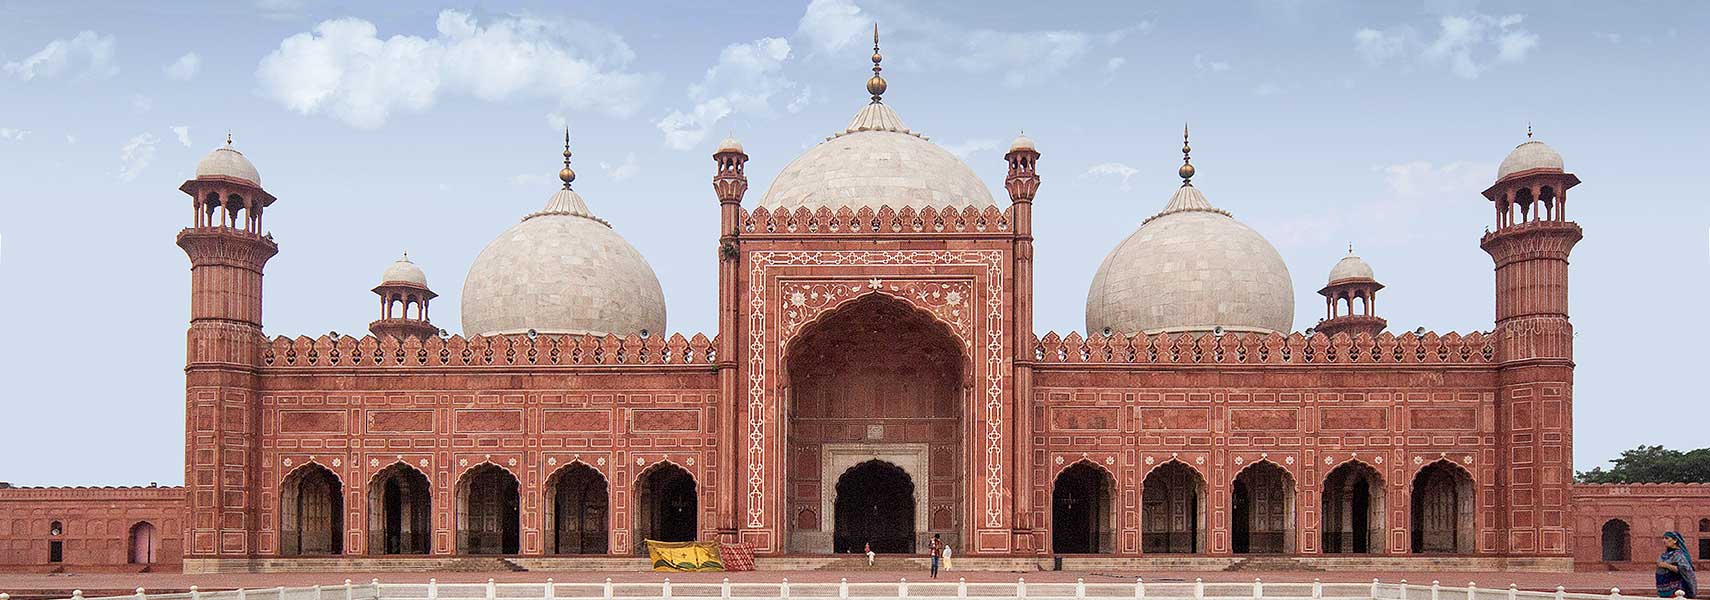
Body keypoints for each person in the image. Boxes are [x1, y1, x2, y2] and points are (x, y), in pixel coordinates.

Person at [1657, 531, 1697, 598]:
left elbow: (1685, 569)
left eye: (1667, 538)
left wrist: (1667, 566)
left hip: (1676, 589)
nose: (1664, 540)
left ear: (1675, 540)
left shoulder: (1679, 554)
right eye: (1663, 538)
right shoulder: (1665, 554)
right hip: (1664, 590)